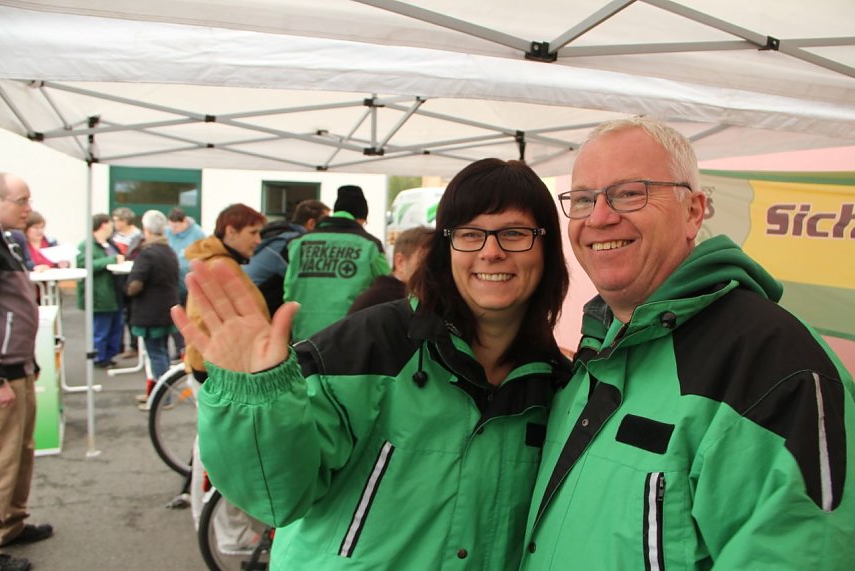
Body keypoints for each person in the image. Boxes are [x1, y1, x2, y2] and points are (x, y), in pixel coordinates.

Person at [172, 158, 570, 569]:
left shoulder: (559, 386)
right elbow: (276, 495)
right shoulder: (367, 347)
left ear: (547, 248)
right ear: (445, 249)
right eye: (470, 234)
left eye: (515, 233)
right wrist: (256, 398)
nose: (491, 251)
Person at [521, 117, 855, 570]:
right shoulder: (596, 347)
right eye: (583, 199)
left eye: (629, 192)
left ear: (694, 211)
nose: (599, 217)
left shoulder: (771, 361)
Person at [0, 173, 53, 571]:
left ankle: (13, 523)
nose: (27, 207)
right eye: (21, 200)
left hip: (18, 365)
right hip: (2, 372)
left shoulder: (9, 241)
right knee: (2, 460)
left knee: (21, 453)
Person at [283, 185, 390, 340]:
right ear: (360, 219)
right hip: (348, 337)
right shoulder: (370, 245)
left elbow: (288, 289)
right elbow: (387, 286)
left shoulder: (299, 243)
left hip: (303, 336)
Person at [183, 203, 267, 383]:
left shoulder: (215, 260)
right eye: (253, 232)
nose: (259, 240)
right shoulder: (221, 266)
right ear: (231, 231)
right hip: (222, 365)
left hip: (211, 360)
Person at [124, 210, 179, 406]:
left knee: (156, 356)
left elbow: (134, 285)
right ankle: (158, 394)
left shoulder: (147, 254)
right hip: (166, 310)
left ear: (146, 230)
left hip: (150, 312)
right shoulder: (169, 251)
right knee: (161, 353)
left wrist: (127, 289)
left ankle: (163, 398)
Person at [244, 199, 330, 315]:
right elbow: (305, 280)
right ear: (311, 224)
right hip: (255, 302)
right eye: (324, 224)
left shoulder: (279, 234)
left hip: (248, 295)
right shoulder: (293, 242)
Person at [347, 225, 433, 314]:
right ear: (400, 262)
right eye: (424, 262)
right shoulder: (383, 302)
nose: (433, 269)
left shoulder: (378, 297)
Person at [77, 214, 125, 369]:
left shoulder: (110, 244)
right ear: (103, 225)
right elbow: (86, 265)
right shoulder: (86, 245)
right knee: (101, 328)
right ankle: (99, 356)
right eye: (110, 224)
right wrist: (111, 260)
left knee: (115, 326)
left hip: (115, 292)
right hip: (99, 294)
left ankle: (109, 355)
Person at [165, 207, 206, 360]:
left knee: (192, 317)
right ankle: (178, 348)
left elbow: (203, 255)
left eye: (176, 226)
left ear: (184, 223)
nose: (172, 229)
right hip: (174, 281)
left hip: (190, 282)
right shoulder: (167, 232)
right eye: (171, 225)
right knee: (176, 315)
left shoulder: (197, 233)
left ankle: (191, 348)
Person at [111, 207, 143, 359]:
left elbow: (136, 255)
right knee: (120, 313)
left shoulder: (138, 236)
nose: (115, 223)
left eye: (117, 220)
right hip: (116, 277)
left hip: (130, 277)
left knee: (131, 312)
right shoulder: (114, 235)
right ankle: (119, 345)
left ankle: (134, 345)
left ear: (125, 221)